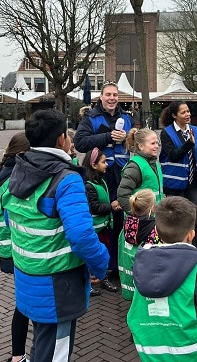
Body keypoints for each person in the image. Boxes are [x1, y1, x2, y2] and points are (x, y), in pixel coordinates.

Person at [1, 109, 109, 361]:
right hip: (58, 283)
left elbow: (11, 218)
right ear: (62, 139)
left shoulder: (19, 169)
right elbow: (82, 236)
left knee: (43, 345)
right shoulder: (66, 179)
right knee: (55, 353)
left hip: (27, 275)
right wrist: (101, 263)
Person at [127, 196, 197, 362]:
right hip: (196, 354)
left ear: (157, 232)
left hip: (152, 353)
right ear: (191, 235)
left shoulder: (140, 263)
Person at [74, 82, 134, 281]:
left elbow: (135, 142)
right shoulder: (90, 117)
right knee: (102, 217)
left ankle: (117, 264)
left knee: (120, 218)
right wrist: (108, 137)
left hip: (123, 173)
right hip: (100, 176)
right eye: (108, 94)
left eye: (115, 95)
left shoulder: (126, 117)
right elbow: (80, 143)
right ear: (101, 97)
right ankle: (102, 265)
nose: (112, 98)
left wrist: (128, 138)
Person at [0, 132, 31, 362]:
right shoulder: (15, 180)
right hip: (21, 252)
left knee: (23, 305)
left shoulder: (6, 176)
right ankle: (18, 356)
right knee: (26, 306)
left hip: (13, 252)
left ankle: (17, 356)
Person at [159, 101, 197, 251]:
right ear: (174, 115)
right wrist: (188, 143)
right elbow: (173, 155)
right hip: (175, 184)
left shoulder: (194, 130)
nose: (188, 114)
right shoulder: (166, 133)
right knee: (177, 221)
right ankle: (177, 251)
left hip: (194, 183)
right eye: (183, 112)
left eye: (188, 111)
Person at [117, 128, 163, 300]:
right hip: (141, 225)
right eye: (153, 143)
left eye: (157, 142)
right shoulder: (135, 167)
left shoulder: (154, 163)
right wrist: (136, 215)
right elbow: (122, 195)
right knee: (138, 260)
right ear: (140, 146)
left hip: (153, 221)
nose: (157, 146)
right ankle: (137, 297)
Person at [82, 147, 120, 293]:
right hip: (94, 228)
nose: (107, 165)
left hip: (102, 227)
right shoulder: (89, 185)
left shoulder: (101, 181)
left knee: (102, 254)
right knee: (91, 255)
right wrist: (111, 206)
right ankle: (88, 284)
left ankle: (102, 278)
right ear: (93, 165)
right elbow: (94, 207)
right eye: (104, 162)